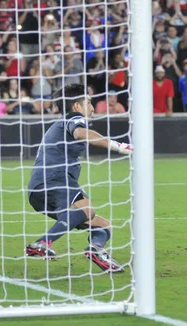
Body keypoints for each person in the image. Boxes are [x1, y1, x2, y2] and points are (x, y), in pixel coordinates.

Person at [25, 83, 131, 273]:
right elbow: (81, 133)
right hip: (53, 180)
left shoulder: (62, 123)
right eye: (88, 102)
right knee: (87, 208)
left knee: (103, 225)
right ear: (76, 106)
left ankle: (97, 250)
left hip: (39, 191)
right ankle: (41, 243)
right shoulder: (73, 119)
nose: (91, 107)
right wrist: (118, 146)